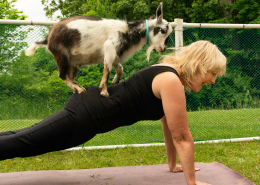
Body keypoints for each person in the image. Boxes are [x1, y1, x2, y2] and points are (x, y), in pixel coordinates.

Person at [0, 40, 226, 185]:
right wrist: (192, 183)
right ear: (199, 64)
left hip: (88, 112)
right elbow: (183, 137)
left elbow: (170, 126)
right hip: (87, 114)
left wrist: (173, 165)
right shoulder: (170, 79)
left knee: (24, 137)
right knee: (27, 142)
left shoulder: (168, 76)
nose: (214, 80)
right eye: (212, 73)